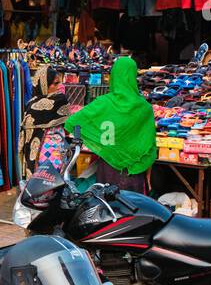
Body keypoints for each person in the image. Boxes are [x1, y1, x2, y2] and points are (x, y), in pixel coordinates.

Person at [63, 55, 156, 194]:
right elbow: (149, 145)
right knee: (132, 210)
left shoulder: (103, 103)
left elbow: (73, 122)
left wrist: (81, 140)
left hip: (107, 168)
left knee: (105, 208)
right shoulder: (145, 108)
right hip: (135, 171)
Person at [18, 66, 72, 179]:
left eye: (60, 83)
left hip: (54, 155)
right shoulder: (59, 101)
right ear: (43, 85)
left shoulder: (30, 105)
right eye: (55, 83)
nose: (60, 87)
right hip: (44, 157)